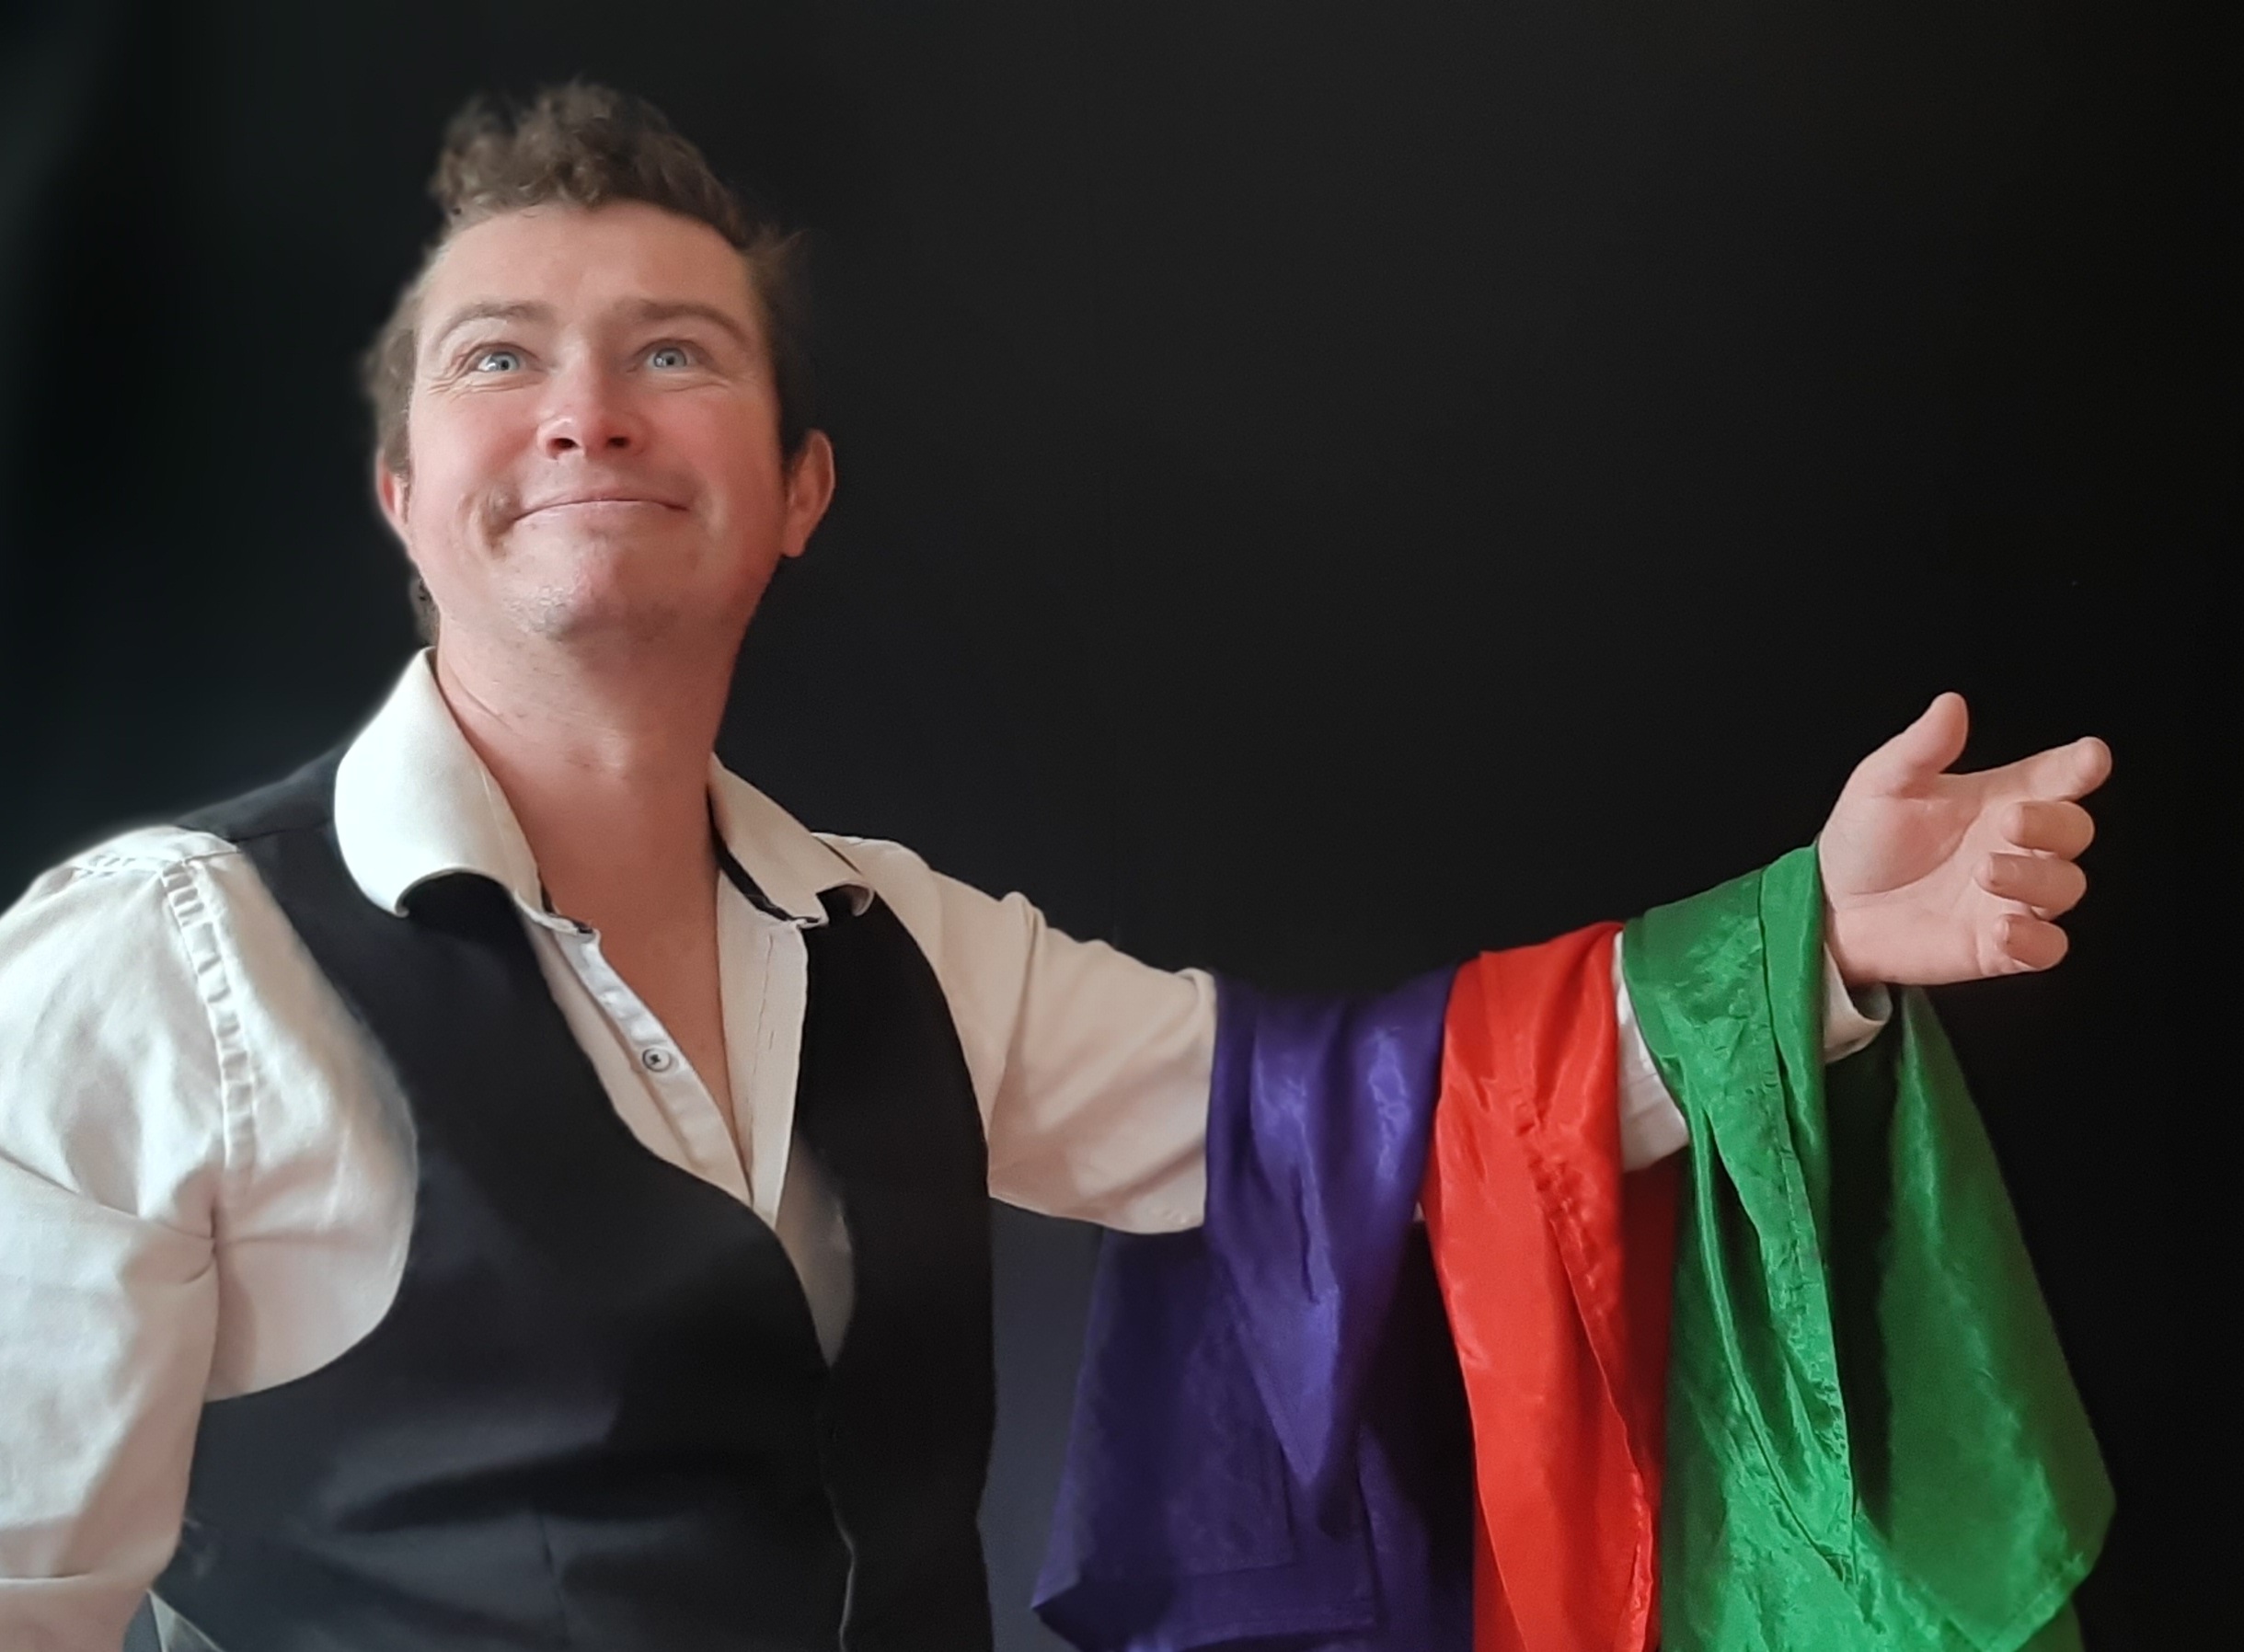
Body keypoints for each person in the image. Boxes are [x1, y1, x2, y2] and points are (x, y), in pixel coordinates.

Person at [0, 84, 2110, 1651]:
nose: (585, 412)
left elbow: (1360, 1115)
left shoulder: (893, 941)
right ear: (400, 490)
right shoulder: (155, 978)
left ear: (796, 489)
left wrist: (1802, 942)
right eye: (498, 355)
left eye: (674, 350)